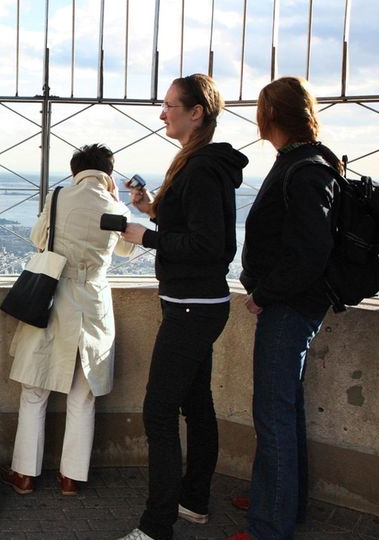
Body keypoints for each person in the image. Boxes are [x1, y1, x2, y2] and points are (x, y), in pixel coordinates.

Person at [119, 74, 248, 540]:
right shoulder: (196, 163)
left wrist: (146, 236)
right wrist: (152, 208)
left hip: (193, 305)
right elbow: (194, 228)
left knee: (159, 411)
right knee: (196, 403)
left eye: (171, 105)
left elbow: (214, 247)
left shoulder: (202, 168)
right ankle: (192, 501)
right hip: (194, 302)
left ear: (197, 113)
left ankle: (156, 527)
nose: (161, 113)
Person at [227, 77, 339, 540]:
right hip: (292, 305)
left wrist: (264, 294)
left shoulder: (306, 167)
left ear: (270, 115)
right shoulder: (304, 161)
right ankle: (279, 501)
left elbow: (310, 252)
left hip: (289, 308)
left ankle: (270, 526)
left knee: (273, 414)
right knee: (283, 411)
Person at [0, 144, 135, 497]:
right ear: (108, 172)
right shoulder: (115, 205)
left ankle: (25, 474)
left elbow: (37, 239)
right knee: (83, 394)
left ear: (76, 170)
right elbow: (125, 249)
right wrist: (118, 201)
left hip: (54, 299)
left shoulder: (59, 197)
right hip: (94, 303)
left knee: (35, 390)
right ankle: (71, 477)